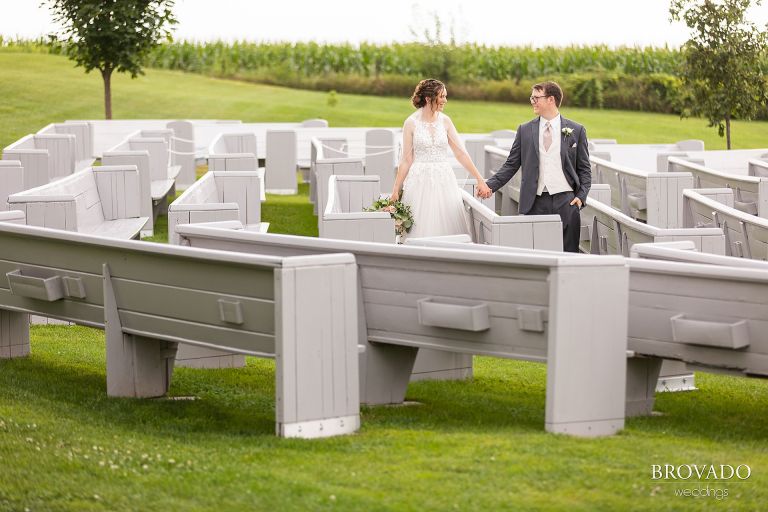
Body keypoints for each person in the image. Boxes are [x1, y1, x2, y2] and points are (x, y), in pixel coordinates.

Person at [479, 81, 591, 252]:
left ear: (551, 100)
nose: (532, 101)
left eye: (536, 97)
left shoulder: (576, 130)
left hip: (566, 202)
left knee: (569, 252)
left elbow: (584, 169)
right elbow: (511, 164)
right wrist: (490, 185)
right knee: (535, 252)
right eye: (531, 98)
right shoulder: (524, 130)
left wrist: (581, 196)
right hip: (534, 202)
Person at [391, 78, 491, 239]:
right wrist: (395, 190)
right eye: (442, 96)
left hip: (444, 179)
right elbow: (406, 160)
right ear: (428, 98)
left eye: (445, 96)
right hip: (419, 182)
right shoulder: (411, 123)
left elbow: (461, 153)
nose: (445, 100)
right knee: (419, 223)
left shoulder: (445, 121)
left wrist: (480, 179)